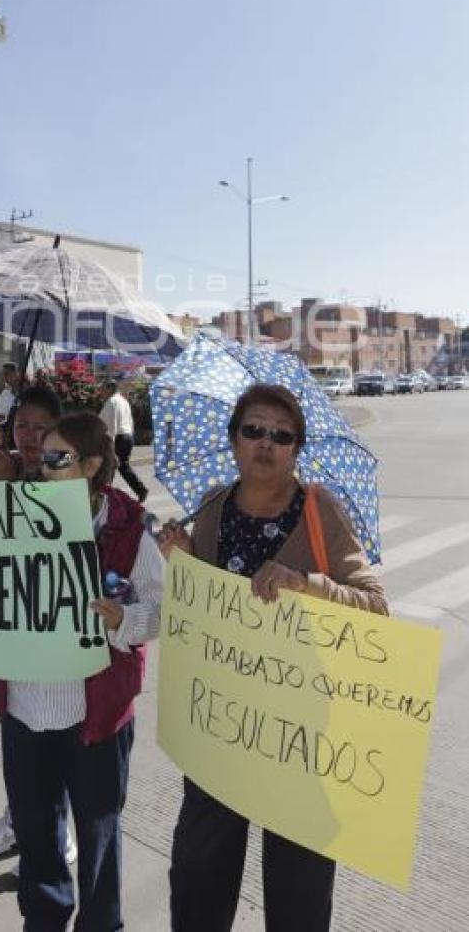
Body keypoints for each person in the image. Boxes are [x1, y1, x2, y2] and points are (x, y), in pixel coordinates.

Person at [161, 383, 389, 932]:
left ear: (297, 448)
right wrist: (186, 560)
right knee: (199, 876)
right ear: (234, 437)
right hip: (220, 726)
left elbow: (376, 609)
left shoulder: (319, 509)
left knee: (299, 893)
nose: (266, 443)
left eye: (282, 435)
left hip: (300, 736)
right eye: (254, 430)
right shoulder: (214, 504)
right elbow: (209, 609)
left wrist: (307, 584)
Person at [0, 411, 163, 930]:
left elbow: (161, 611)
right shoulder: (13, 513)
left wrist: (123, 619)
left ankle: (101, 923)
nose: (43, 469)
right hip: (25, 707)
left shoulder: (129, 529)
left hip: (96, 715)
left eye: (57, 459)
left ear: (92, 465)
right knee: (36, 830)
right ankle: (43, 917)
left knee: (98, 831)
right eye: (41, 457)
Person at [0, 384, 78, 866]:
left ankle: (54, 833)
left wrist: (17, 484)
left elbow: (57, 540)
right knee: (15, 728)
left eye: (41, 427)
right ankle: (19, 815)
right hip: (8, 630)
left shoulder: (69, 473)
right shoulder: (1, 468)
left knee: (52, 738)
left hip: (56, 638)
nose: (30, 436)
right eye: (22, 425)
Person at [99, 379, 148, 504]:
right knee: (121, 466)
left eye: (103, 388)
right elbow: (130, 421)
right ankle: (140, 489)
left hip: (118, 438)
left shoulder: (112, 402)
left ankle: (105, 495)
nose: (101, 392)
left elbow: (111, 427)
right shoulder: (123, 401)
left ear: (110, 389)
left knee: (109, 466)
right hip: (127, 436)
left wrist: (110, 446)